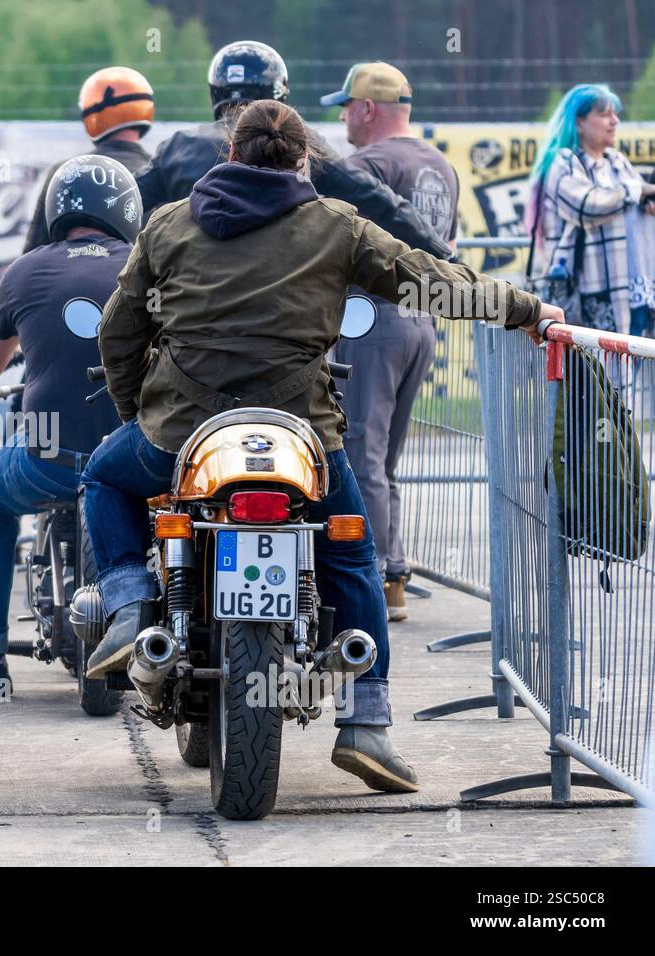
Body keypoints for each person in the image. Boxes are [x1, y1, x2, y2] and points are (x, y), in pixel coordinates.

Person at [81, 100, 565, 794]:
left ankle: (129, 606)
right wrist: (526, 309)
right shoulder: (336, 226)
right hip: (300, 432)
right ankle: (366, 720)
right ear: (303, 159)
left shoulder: (169, 223)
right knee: (350, 552)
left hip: (184, 430)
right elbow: (434, 282)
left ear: (230, 152)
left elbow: (117, 334)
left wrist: (140, 417)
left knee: (104, 477)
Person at [0, 155, 137, 697]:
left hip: (51, 453)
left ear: (57, 209)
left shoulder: (27, 269)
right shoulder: (149, 263)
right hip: (135, 458)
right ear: (128, 210)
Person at [322, 62, 460, 622]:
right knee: (385, 457)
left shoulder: (367, 164)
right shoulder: (439, 165)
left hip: (370, 319)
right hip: (421, 322)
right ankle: (393, 573)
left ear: (367, 108)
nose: (342, 117)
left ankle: (372, 578)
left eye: (346, 106)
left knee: (360, 455)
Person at [134, 41, 451, 258]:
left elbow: (124, 204)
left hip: (192, 307)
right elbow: (375, 197)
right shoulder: (302, 140)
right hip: (280, 305)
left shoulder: (177, 147)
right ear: (278, 91)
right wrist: (440, 252)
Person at [527, 83, 655, 337]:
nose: (614, 121)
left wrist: (646, 204)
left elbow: (630, 198)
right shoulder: (563, 163)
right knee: (591, 375)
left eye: (614, 114)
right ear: (579, 122)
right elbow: (588, 205)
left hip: (634, 296)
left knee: (635, 374)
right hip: (588, 297)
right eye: (604, 114)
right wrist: (640, 191)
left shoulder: (617, 162)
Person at [22, 66, 154, 253]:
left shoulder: (66, 172)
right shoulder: (162, 173)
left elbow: (34, 250)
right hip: (143, 279)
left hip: (71, 278)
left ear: (91, 111)